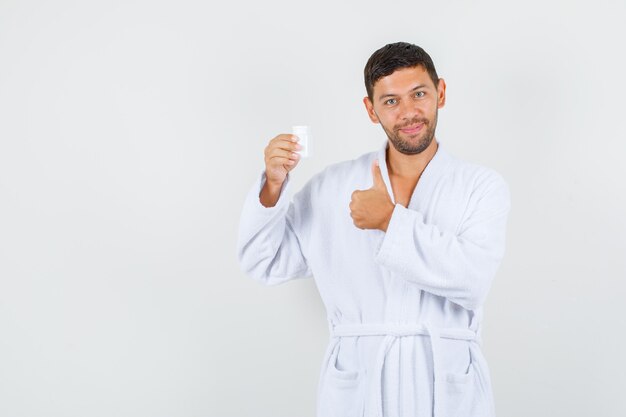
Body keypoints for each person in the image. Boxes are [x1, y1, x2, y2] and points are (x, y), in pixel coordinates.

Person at [236, 41, 511, 417]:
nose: (409, 113)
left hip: (445, 383)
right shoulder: (333, 186)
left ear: (440, 93)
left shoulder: (480, 186)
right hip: (360, 383)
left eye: (419, 94)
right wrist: (272, 184)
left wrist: (388, 221)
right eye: (391, 101)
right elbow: (263, 261)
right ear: (371, 109)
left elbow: (472, 279)